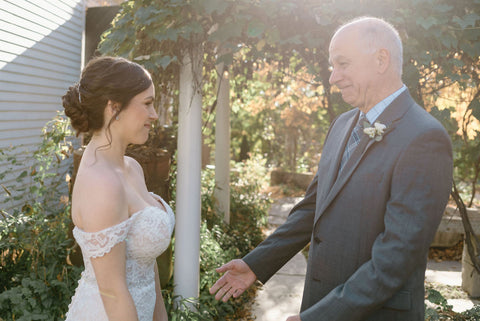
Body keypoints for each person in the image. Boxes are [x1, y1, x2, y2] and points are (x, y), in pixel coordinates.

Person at [210, 16, 453, 321]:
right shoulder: (342, 124)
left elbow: (396, 257)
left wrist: (320, 317)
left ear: (381, 60)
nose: (333, 77)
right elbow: (313, 208)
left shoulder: (424, 138)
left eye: (343, 64)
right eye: (332, 66)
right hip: (318, 302)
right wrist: (257, 263)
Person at [62, 56, 174, 321]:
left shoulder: (132, 168)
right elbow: (113, 292)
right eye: (147, 103)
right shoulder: (101, 184)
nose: (154, 115)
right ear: (114, 108)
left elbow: (146, 264)